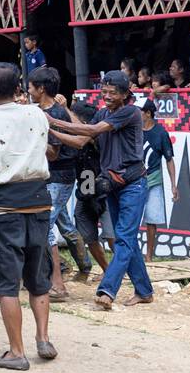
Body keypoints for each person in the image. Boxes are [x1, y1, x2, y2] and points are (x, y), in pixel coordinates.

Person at [0, 62, 56, 370]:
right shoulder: (36, 114)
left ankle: (17, 352)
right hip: (40, 202)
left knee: (6, 283)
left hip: (3, 208)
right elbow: (46, 151)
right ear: (19, 87)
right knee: (38, 276)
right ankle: (43, 339)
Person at [47, 69, 152, 310]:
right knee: (127, 240)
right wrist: (51, 132)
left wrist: (52, 121)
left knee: (123, 239)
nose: (106, 96)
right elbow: (81, 140)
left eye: (112, 93)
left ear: (125, 94)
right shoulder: (104, 113)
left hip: (132, 184)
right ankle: (144, 291)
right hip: (113, 185)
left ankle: (107, 289)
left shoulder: (130, 112)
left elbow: (91, 131)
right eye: (103, 92)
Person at [29, 66, 89, 301]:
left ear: (41, 89)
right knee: (63, 224)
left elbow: (53, 153)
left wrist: (32, 138)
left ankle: (58, 283)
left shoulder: (56, 114)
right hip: (51, 177)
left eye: (32, 87)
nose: (29, 90)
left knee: (45, 227)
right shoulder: (42, 110)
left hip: (59, 176)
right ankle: (84, 266)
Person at [69, 101, 112, 276]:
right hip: (86, 190)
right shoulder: (74, 136)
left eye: (72, 118)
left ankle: (123, 271)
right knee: (89, 236)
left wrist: (64, 110)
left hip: (105, 190)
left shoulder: (97, 134)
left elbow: (82, 140)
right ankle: (108, 271)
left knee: (112, 237)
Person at [141, 99, 179, 262]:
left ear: (148, 113)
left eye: (139, 111)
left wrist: (173, 185)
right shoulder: (134, 130)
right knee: (132, 218)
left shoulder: (161, 133)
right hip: (134, 180)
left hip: (154, 180)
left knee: (152, 218)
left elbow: (169, 159)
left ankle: (149, 256)